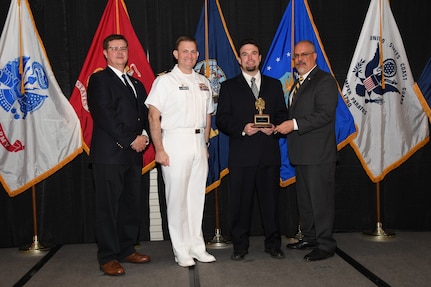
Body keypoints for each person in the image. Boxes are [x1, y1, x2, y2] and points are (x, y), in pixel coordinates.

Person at [145, 36, 216, 267]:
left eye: (194, 52)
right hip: (174, 141)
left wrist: (205, 145)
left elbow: (207, 115)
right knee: (176, 200)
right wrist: (159, 149)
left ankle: (197, 246)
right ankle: (181, 249)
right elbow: (153, 116)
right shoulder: (165, 81)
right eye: (185, 51)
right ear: (176, 54)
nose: (190, 56)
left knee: (196, 198)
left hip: (198, 142)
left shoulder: (203, 81)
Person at [216, 38, 288, 261]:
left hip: (268, 155)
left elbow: (282, 115)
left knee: (271, 204)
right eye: (245, 54)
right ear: (239, 59)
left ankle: (273, 244)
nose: (249, 57)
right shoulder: (228, 87)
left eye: (254, 53)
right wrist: (243, 129)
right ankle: (240, 246)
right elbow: (222, 120)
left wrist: (274, 128)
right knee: (240, 204)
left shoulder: (274, 85)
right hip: (242, 156)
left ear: (260, 57)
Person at [87, 34, 151, 276]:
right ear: (105, 53)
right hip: (109, 155)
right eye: (114, 48)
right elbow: (104, 115)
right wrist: (130, 139)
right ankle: (108, 257)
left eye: (123, 48)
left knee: (130, 205)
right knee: (108, 208)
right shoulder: (99, 80)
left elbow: (143, 115)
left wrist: (144, 135)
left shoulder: (136, 84)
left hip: (133, 155)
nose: (120, 52)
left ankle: (126, 249)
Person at [274, 40, 338, 261]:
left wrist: (293, 125)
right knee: (305, 201)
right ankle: (310, 237)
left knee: (320, 201)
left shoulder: (324, 81)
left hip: (319, 154)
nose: (299, 59)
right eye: (296, 56)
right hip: (301, 153)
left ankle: (325, 244)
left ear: (314, 56)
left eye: (304, 55)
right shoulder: (299, 82)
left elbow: (325, 115)